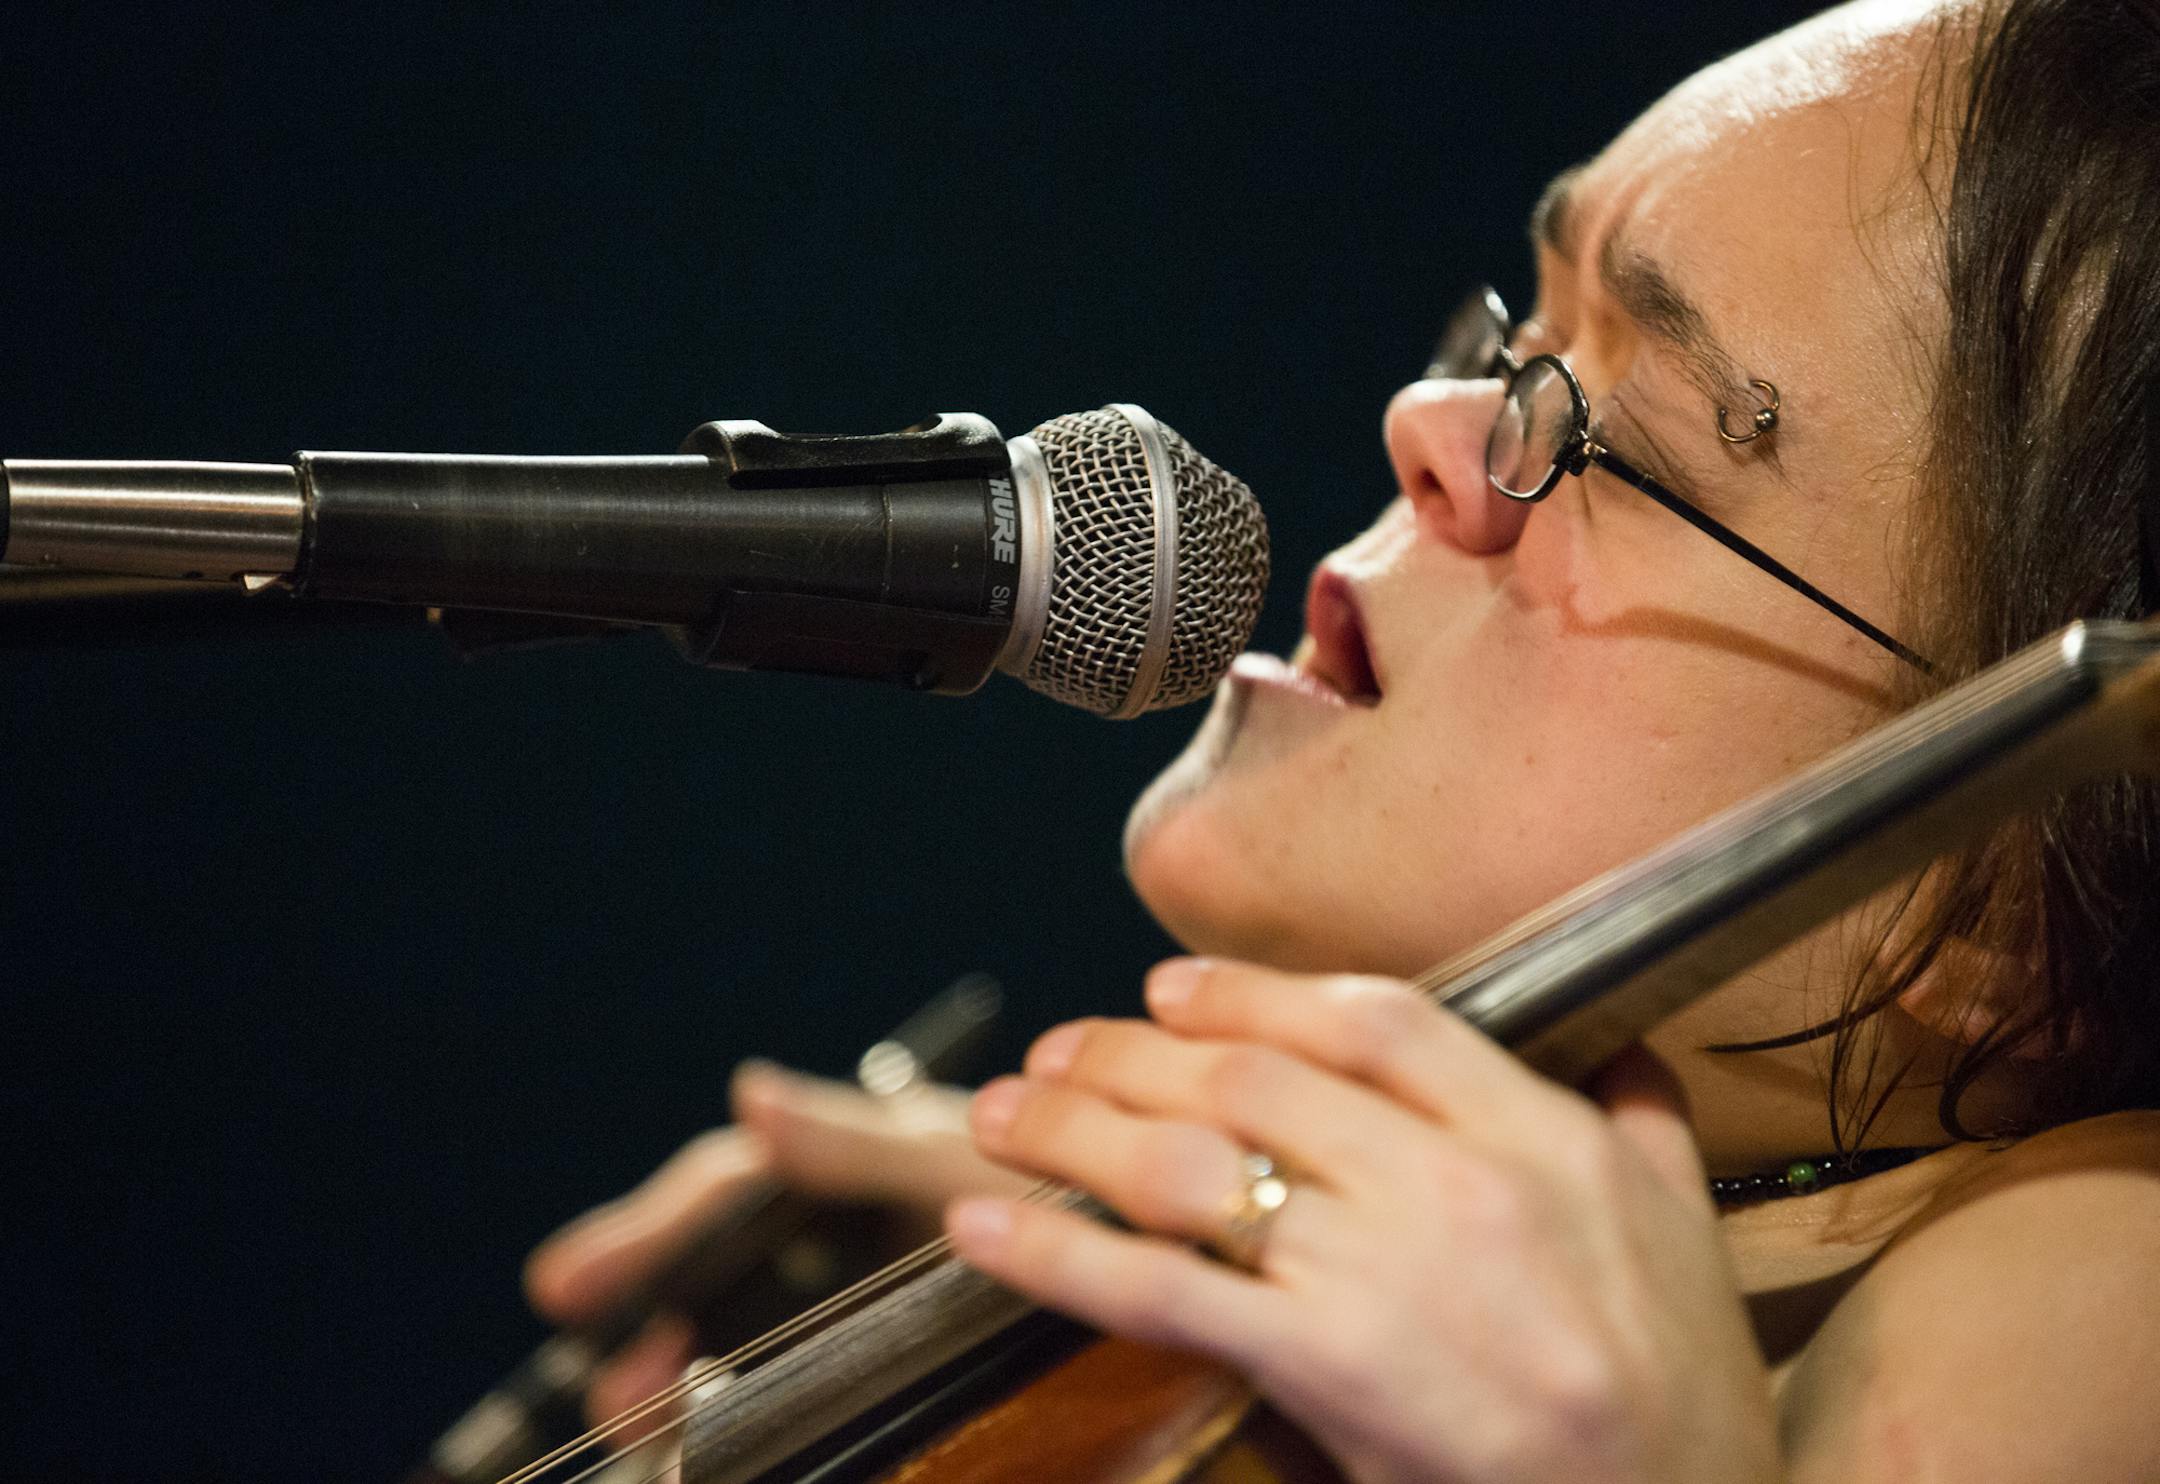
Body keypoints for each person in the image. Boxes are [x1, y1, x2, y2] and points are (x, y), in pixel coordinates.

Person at [526, 0, 2160, 1477]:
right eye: (1525, 337)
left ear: (1993, 892)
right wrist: (1084, 1259)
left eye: (1623, 438)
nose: (1430, 424)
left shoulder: (2081, 1292)